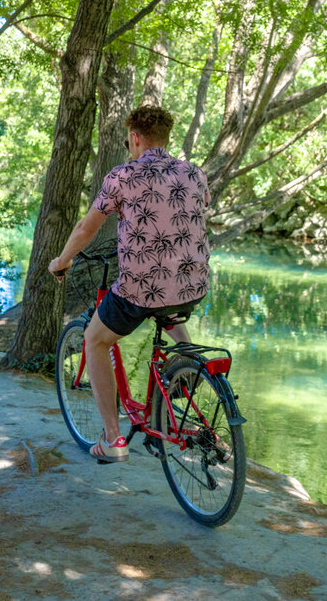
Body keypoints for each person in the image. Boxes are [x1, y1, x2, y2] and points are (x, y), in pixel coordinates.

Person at [48, 105, 211, 463]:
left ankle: (112, 439)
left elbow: (86, 228)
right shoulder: (194, 174)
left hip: (142, 288)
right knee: (170, 314)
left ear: (135, 139)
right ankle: (186, 370)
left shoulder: (123, 175)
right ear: (164, 139)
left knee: (94, 339)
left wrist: (62, 260)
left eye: (128, 141)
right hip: (193, 285)